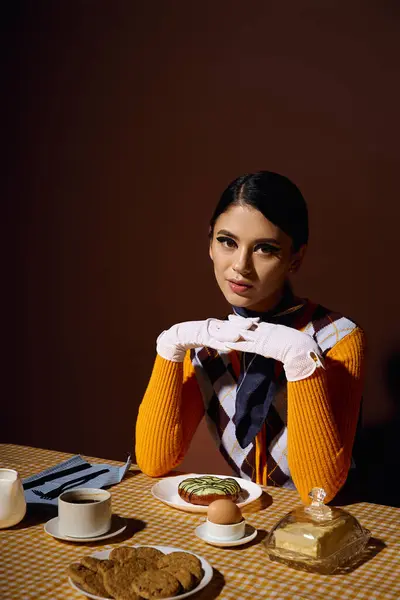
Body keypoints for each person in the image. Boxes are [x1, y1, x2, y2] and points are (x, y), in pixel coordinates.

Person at [135, 171, 366, 504]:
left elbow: (321, 490)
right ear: (210, 243)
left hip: (325, 522)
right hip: (249, 517)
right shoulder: (206, 344)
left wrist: (299, 354)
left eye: (265, 249)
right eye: (227, 241)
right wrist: (170, 346)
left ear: (295, 258)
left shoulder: (339, 338)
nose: (240, 266)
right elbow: (155, 461)